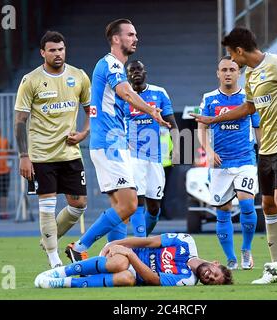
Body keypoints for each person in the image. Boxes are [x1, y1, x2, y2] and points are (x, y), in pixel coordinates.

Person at [191, 27, 277, 284]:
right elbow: (248, 108)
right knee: (269, 205)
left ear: (239, 50)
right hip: (266, 149)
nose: (231, 61)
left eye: (231, 55)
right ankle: (274, 270)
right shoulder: (250, 76)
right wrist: (215, 119)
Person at [65, 19, 170, 262]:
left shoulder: (114, 68)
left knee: (120, 209)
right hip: (110, 146)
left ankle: (116, 257)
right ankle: (80, 246)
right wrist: (151, 111)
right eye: (130, 34)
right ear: (116, 39)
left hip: (112, 144)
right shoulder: (111, 64)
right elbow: (125, 92)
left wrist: (84, 133)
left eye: (136, 34)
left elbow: (96, 108)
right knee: (130, 204)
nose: (135, 38)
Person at [14, 31, 91, 268]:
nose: (58, 54)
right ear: (42, 53)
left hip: (70, 153)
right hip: (41, 156)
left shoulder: (79, 76)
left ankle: (49, 239)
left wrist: (84, 132)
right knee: (47, 207)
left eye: (61, 49)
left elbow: (92, 111)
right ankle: (54, 258)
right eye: (52, 50)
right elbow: (19, 121)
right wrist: (24, 156)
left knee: (79, 204)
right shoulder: (31, 80)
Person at [197, 56, 261, 271]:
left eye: (232, 69)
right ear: (217, 73)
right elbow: (201, 129)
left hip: (245, 160)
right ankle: (231, 258)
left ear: (239, 73)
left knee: (246, 203)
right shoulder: (209, 99)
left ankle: (246, 249)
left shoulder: (248, 98)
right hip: (220, 164)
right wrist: (209, 150)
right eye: (223, 69)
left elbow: (258, 128)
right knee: (223, 210)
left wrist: (264, 153)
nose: (227, 73)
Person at [35, 233, 232, 288]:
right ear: (215, 263)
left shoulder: (187, 280)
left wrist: (131, 256)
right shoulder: (186, 241)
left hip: (134, 271)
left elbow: (153, 279)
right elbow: (148, 241)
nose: (210, 277)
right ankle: (62, 271)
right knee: (121, 264)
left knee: (127, 278)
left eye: (212, 281)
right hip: (122, 257)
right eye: (215, 273)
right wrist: (117, 243)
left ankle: (65, 283)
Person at [124, 60, 179, 237]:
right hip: (133, 157)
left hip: (156, 159)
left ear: (145, 72)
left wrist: (177, 150)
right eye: (132, 70)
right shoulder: (123, 96)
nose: (136, 72)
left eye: (139, 69)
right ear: (127, 75)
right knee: (137, 202)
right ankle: (139, 244)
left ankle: (141, 238)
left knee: (154, 208)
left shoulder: (159, 93)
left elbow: (173, 125)